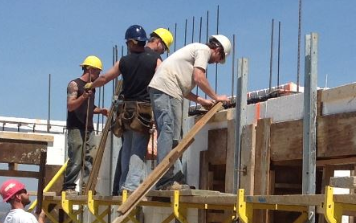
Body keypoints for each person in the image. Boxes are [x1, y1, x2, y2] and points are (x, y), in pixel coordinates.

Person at [91, 26, 174, 194]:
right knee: (138, 147)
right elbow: (164, 78)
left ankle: (124, 184)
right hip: (143, 109)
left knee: (127, 147)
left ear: (130, 42)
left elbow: (105, 78)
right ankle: (131, 185)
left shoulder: (124, 61)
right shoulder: (155, 60)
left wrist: (91, 85)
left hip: (125, 110)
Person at [147, 34, 232, 190]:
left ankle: (175, 178)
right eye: (220, 58)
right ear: (218, 49)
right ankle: (164, 179)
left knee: (174, 136)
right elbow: (199, 77)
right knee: (168, 130)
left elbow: (183, 88)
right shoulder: (203, 50)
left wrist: (201, 100)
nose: (217, 62)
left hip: (171, 90)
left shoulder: (193, 54)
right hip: (166, 89)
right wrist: (216, 97)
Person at [63, 56, 108, 193]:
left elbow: (88, 108)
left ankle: (86, 187)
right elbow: (71, 106)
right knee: (76, 158)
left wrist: (100, 110)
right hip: (76, 127)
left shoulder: (91, 88)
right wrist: (83, 97)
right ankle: (69, 186)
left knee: (90, 157)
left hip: (88, 127)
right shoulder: (74, 84)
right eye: (97, 72)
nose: (98, 75)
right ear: (90, 69)